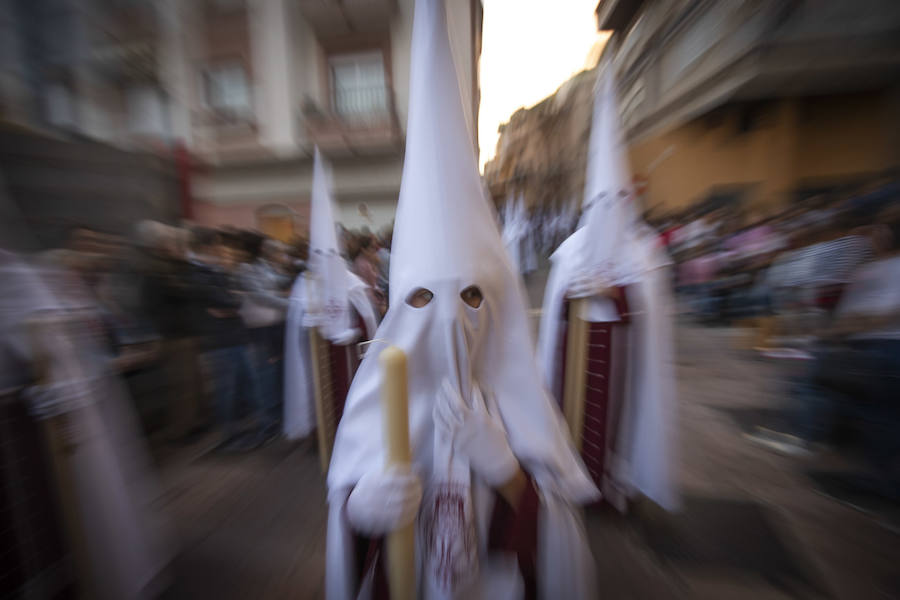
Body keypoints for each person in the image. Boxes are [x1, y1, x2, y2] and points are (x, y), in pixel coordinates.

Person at [326, 1, 597, 598]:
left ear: (495, 304)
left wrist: (509, 474)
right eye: (423, 297)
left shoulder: (515, 400)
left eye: (472, 295)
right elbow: (345, 513)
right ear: (398, 308)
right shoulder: (378, 406)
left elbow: (563, 551)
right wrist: (361, 511)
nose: (449, 318)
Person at [536, 64, 679, 513]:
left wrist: (615, 294)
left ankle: (612, 487)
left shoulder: (643, 255)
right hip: (572, 357)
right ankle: (569, 480)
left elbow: (650, 318)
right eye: (598, 204)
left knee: (614, 424)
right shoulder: (569, 252)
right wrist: (570, 293)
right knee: (572, 420)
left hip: (621, 361)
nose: (606, 214)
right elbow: (554, 312)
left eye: (613, 203)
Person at [283, 149, 378, 441]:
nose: (325, 260)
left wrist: (353, 332)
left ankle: (354, 433)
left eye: (330, 253)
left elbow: (370, 324)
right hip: (318, 361)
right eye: (319, 254)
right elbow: (296, 329)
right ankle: (321, 435)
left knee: (350, 398)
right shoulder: (305, 284)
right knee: (322, 402)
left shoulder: (352, 282)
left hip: (349, 358)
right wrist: (310, 324)